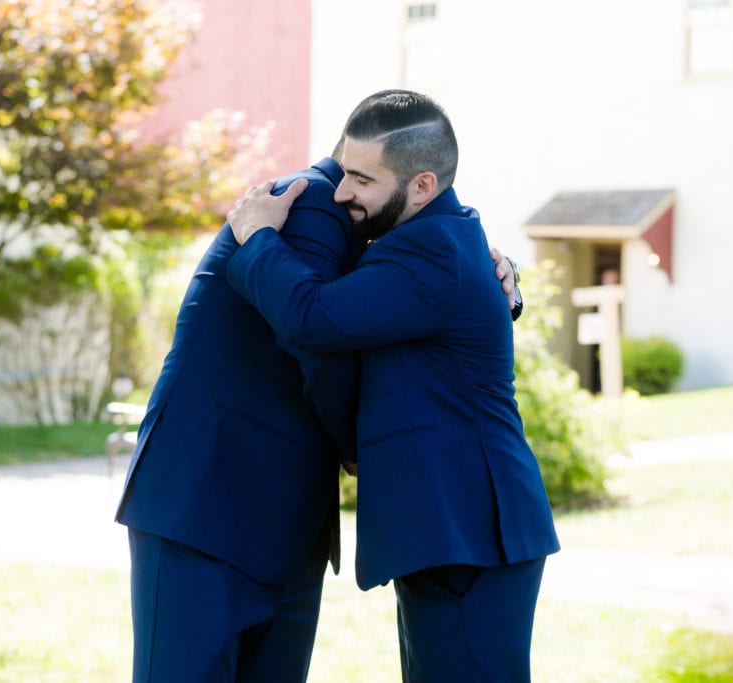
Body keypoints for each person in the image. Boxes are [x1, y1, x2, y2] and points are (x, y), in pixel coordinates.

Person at [115, 142, 521, 679]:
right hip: (207, 499)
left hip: (275, 508)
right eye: (349, 174)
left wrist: (499, 275)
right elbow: (319, 340)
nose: (347, 190)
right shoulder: (309, 204)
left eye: (363, 181)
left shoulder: (389, 231)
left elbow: (405, 301)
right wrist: (357, 445)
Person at [226, 89, 560, 682]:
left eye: (361, 178)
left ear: (423, 186)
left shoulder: (429, 251)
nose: (341, 191)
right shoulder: (438, 238)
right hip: (452, 532)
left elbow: (314, 318)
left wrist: (258, 239)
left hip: (469, 530)